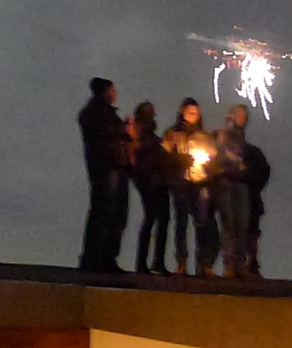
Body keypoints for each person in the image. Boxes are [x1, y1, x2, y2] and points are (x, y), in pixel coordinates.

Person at [77, 77, 134, 273]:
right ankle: (96, 259)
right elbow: (101, 132)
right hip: (107, 167)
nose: (115, 93)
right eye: (112, 90)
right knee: (105, 212)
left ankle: (106, 258)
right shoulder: (95, 113)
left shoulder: (101, 113)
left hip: (115, 166)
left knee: (116, 214)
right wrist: (123, 129)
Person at [162, 98, 218, 276]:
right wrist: (181, 160)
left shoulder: (205, 136)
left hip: (201, 182)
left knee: (202, 222)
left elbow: (214, 156)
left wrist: (210, 164)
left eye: (196, 112)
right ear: (182, 112)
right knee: (181, 223)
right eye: (190, 112)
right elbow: (164, 156)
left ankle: (204, 265)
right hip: (180, 182)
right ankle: (182, 263)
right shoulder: (172, 134)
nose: (194, 115)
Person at [211, 105, 254, 278]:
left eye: (245, 115)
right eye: (240, 115)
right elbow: (221, 157)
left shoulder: (240, 137)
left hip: (239, 182)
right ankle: (230, 264)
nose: (243, 118)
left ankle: (239, 264)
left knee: (242, 224)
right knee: (230, 223)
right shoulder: (224, 135)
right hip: (228, 182)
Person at [131, 101, 174, 275]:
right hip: (150, 179)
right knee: (154, 218)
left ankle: (152, 262)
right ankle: (148, 262)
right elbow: (150, 153)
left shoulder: (144, 134)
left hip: (155, 179)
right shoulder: (142, 134)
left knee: (159, 219)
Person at [243, 139, 271, 277]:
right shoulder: (253, 152)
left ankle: (250, 263)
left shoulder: (252, 152)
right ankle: (247, 263)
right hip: (250, 196)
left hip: (250, 198)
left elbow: (264, 171)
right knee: (248, 231)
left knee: (250, 231)